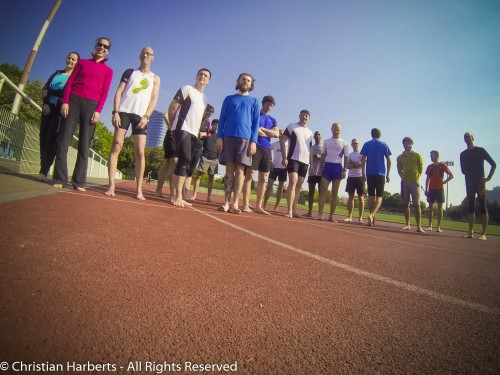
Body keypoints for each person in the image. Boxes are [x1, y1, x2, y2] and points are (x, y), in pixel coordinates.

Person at [53, 37, 113, 191]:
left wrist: (98, 111)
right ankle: (60, 178)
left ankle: (79, 181)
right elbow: (70, 82)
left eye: (105, 46)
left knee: (84, 144)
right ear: (95, 46)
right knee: (63, 140)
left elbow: (105, 92)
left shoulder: (108, 71)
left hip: (92, 106)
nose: (101, 48)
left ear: (108, 51)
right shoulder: (82, 63)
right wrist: (65, 101)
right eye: (99, 44)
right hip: (74, 100)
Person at [104, 47, 160, 200]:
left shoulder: (155, 78)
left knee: (140, 152)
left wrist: (147, 116)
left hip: (141, 117)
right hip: (124, 112)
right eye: (144, 52)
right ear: (140, 55)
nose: (146, 55)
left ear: (153, 57)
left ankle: (139, 190)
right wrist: (115, 111)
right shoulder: (129, 72)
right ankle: (111, 185)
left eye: (149, 53)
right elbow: (119, 91)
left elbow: (154, 99)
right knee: (117, 145)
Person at [166, 68, 211, 207]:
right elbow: (172, 107)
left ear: (208, 81)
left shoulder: (204, 99)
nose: (202, 76)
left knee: (186, 162)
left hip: (193, 133)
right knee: (184, 159)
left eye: (206, 76)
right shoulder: (187, 89)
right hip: (182, 128)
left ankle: (174, 195)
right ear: (196, 76)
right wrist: (172, 127)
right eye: (201, 74)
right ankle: (178, 196)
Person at [216, 73, 260, 213]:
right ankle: (226, 203)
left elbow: (255, 124)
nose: (245, 82)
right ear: (238, 81)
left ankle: (235, 204)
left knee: (240, 170)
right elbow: (222, 119)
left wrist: (253, 142)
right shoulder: (229, 99)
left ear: (251, 84)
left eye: (248, 80)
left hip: (245, 139)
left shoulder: (254, 101)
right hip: (228, 137)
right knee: (229, 169)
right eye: (243, 79)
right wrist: (219, 137)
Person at [38, 51, 80, 181]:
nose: (70, 61)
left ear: (77, 63)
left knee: (52, 139)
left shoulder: (75, 77)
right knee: (43, 138)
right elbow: (45, 89)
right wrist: (45, 103)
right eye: (69, 58)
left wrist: (53, 93)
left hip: (60, 110)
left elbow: (67, 92)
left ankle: (43, 171)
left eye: (73, 59)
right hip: (48, 108)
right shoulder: (56, 74)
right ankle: (43, 167)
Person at [242, 95, 279, 215]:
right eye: (267, 104)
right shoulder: (255, 115)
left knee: (264, 178)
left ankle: (258, 205)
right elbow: (254, 130)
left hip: (267, 149)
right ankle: (246, 204)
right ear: (263, 104)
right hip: (255, 146)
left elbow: (276, 134)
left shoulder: (273, 120)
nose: (269, 107)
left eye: (271, 105)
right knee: (250, 174)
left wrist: (263, 129)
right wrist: (267, 132)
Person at [460, 132, 496, 240]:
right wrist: (470, 175)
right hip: (469, 183)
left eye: (468, 136)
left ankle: (483, 234)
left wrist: (488, 178)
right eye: (465, 137)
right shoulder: (463, 154)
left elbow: (493, 164)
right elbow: (463, 170)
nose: (467, 138)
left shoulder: (480, 151)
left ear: (472, 138)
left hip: (480, 183)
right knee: (470, 206)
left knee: (482, 206)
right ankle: (470, 233)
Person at [280, 110, 313, 218]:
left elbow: (310, 149)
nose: (304, 117)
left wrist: (311, 163)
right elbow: (282, 139)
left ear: (309, 118)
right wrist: (284, 157)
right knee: (293, 181)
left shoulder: (310, 132)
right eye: (303, 115)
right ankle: (289, 210)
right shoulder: (292, 126)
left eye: (307, 115)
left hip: (305, 161)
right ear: (299, 116)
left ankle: (294, 210)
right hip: (293, 158)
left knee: (299, 185)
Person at [315, 123, 348, 222]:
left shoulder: (344, 142)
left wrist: (344, 170)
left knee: (335, 192)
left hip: (337, 168)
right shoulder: (326, 141)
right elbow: (323, 154)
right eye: (334, 128)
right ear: (331, 129)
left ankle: (331, 216)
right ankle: (320, 214)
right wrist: (321, 167)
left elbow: (346, 157)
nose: (336, 130)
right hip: (327, 167)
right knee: (323, 190)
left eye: (338, 129)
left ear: (340, 130)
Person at [360, 128, 392, 227]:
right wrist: (388, 174)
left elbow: (363, 159)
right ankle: (372, 215)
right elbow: (389, 160)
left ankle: (371, 219)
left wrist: (363, 173)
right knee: (379, 196)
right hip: (380, 173)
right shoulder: (384, 144)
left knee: (371, 196)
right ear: (380, 135)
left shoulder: (366, 144)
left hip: (370, 173)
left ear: (371, 134)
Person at [184, 104, 214, 200]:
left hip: (199, 147)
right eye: (207, 114)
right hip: (190, 145)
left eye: (210, 115)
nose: (208, 116)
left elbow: (209, 134)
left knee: (191, 170)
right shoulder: (196, 118)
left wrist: (202, 134)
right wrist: (197, 133)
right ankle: (178, 191)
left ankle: (185, 192)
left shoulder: (208, 122)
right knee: (184, 167)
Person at [397, 137, 424, 233]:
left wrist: (417, 177)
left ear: (412, 144)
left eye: (409, 143)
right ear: (403, 145)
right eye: (405, 143)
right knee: (406, 205)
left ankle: (418, 226)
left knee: (417, 205)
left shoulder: (417, 155)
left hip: (415, 182)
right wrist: (402, 177)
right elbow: (399, 169)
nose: (407, 144)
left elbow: (420, 168)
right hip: (405, 182)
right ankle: (407, 224)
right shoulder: (400, 157)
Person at [424, 150, 454, 232]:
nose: (430, 157)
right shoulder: (429, 167)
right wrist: (426, 189)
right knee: (430, 208)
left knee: (440, 208)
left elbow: (451, 176)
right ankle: (430, 226)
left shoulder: (442, 165)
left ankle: (438, 227)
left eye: (432, 155)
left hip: (440, 189)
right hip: (431, 189)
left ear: (436, 156)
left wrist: (444, 182)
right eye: (430, 155)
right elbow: (427, 179)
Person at [191, 119, 219, 202]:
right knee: (198, 176)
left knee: (211, 178)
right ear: (212, 125)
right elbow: (198, 135)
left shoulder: (220, 135)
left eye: (218, 125)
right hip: (205, 157)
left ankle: (209, 197)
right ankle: (194, 195)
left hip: (214, 159)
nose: (216, 126)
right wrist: (206, 134)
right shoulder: (208, 132)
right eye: (215, 125)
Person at [263, 130, 287, 212]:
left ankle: (276, 206)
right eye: (279, 133)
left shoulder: (288, 145)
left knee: (280, 188)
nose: (281, 134)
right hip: (274, 168)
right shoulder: (274, 144)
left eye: (282, 133)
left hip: (284, 169)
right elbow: (268, 151)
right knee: (269, 186)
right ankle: (264, 204)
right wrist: (270, 162)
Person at [344, 138, 365, 224]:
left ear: (358, 144)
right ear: (352, 145)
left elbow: (362, 165)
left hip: (360, 177)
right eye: (353, 143)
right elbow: (347, 166)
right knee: (351, 197)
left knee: (361, 198)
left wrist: (353, 163)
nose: (355, 145)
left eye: (356, 143)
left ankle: (360, 218)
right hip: (351, 177)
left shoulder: (362, 155)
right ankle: (349, 216)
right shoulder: (350, 155)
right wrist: (355, 164)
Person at [155, 122, 178, 198]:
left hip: (171, 137)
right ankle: (172, 194)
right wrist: (172, 128)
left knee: (166, 164)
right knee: (173, 163)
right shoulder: (178, 111)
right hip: (173, 138)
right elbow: (166, 116)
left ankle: (158, 191)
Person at [303, 131, 323, 218]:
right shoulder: (311, 147)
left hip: (321, 172)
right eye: (316, 135)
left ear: (321, 137)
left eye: (319, 135)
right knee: (311, 192)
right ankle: (310, 212)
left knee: (321, 193)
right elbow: (306, 157)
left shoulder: (324, 147)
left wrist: (320, 157)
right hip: (312, 172)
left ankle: (320, 213)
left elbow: (327, 158)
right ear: (314, 137)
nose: (317, 136)